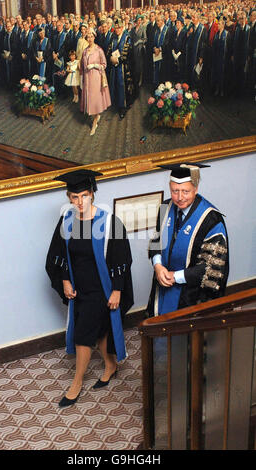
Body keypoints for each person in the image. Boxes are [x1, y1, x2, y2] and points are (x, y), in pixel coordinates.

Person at [45, 169, 134, 407]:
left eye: (84, 195)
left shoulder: (108, 221)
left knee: (83, 334)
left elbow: (121, 258)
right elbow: (61, 253)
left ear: (92, 194)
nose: (80, 202)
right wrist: (65, 279)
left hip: (101, 287)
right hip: (79, 287)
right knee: (100, 329)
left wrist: (117, 290)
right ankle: (111, 364)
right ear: (68, 197)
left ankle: (76, 383)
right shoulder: (67, 220)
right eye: (74, 197)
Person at [147, 163, 229, 317]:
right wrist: (157, 266)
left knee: (186, 337)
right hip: (162, 287)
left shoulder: (211, 220)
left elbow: (212, 267)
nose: (179, 197)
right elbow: (156, 241)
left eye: (185, 191)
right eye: (175, 191)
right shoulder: (165, 207)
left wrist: (176, 277)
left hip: (192, 294)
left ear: (196, 189)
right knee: (158, 330)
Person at [80, 30, 111, 135]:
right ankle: (96, 115)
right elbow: (82, 65)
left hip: (96, 77)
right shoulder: (84, 51)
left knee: (95, 98)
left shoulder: (99, 50)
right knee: (90, 98)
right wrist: (81, 78)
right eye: (88, 37)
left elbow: (104, 64)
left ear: (94, 37)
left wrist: (94, 65)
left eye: (91, 37)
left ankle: (95, 122)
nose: (89, 39)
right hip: (87, 78)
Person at [107, 18, 134, 119]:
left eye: (119, 28)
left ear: (122, 28)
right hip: (114, 67)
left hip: (123, 67)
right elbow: (109, 50)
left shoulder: (127, 38)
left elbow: (127, 53)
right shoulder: (113, 38)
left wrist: (118, 60)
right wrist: (110, 58)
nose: (117, 30)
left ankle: (123, 107)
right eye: (116, 28)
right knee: (115, 85)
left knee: (123, 86)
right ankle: (117, 104)